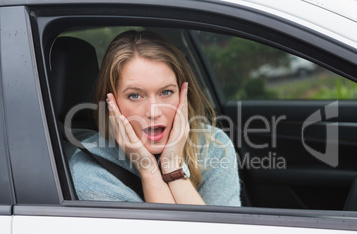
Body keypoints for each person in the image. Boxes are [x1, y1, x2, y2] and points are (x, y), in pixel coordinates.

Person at [69, 30, 241, 206]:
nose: (153, 112)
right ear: (111, 103)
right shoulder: (90, 171)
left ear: (183, 96)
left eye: (166, 92)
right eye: (135, 95)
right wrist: (148, 169)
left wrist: (172, 166)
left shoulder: (214, 146)